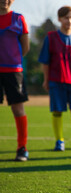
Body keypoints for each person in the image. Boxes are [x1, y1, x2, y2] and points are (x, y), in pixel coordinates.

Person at [39, 6, 71, 151]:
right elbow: (45, 61)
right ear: (60, 19)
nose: (69, 21)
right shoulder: (51, 38)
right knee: (57, 111)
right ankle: (59, 141)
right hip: (56, 82)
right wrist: (46, 79)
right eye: (66, 17)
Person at [0, 0, 30, 161]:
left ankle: (22, 147)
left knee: (18, 109)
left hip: (13, 71)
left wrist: (13, 60)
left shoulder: (19, 19)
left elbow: (25, 47)